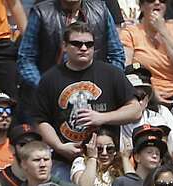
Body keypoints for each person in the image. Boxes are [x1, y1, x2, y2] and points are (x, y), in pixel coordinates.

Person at [28, 22, 143, 175]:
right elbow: (40, 120)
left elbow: (135, 110)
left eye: (89, 44)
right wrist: (59, 146)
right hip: (65, 160)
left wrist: (102, 118)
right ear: (64, 46)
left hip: (107, 159)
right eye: (77, 44)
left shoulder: (111, 73)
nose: (83, 48)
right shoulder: (50, 78)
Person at [17, 0, 126, 92]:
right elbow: (26, 59)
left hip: (95, 92)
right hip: (50, 95)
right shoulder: (41, 12)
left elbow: (116, 55)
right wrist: (44, 87)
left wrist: (105, 86)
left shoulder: (101, 10)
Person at [119, 0, 173, 104]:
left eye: (162, 0)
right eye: (151, 0)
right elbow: (127, 68)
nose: (157, 2)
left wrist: (163, 31)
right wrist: (151, 90)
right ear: (141, 6)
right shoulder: (130, 33)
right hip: (145, 93)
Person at [101, 124, 165, 186]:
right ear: (137, 157)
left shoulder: (163, 185)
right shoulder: (122, 182)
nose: (154, 156)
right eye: (149, 152)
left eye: (157, 154)